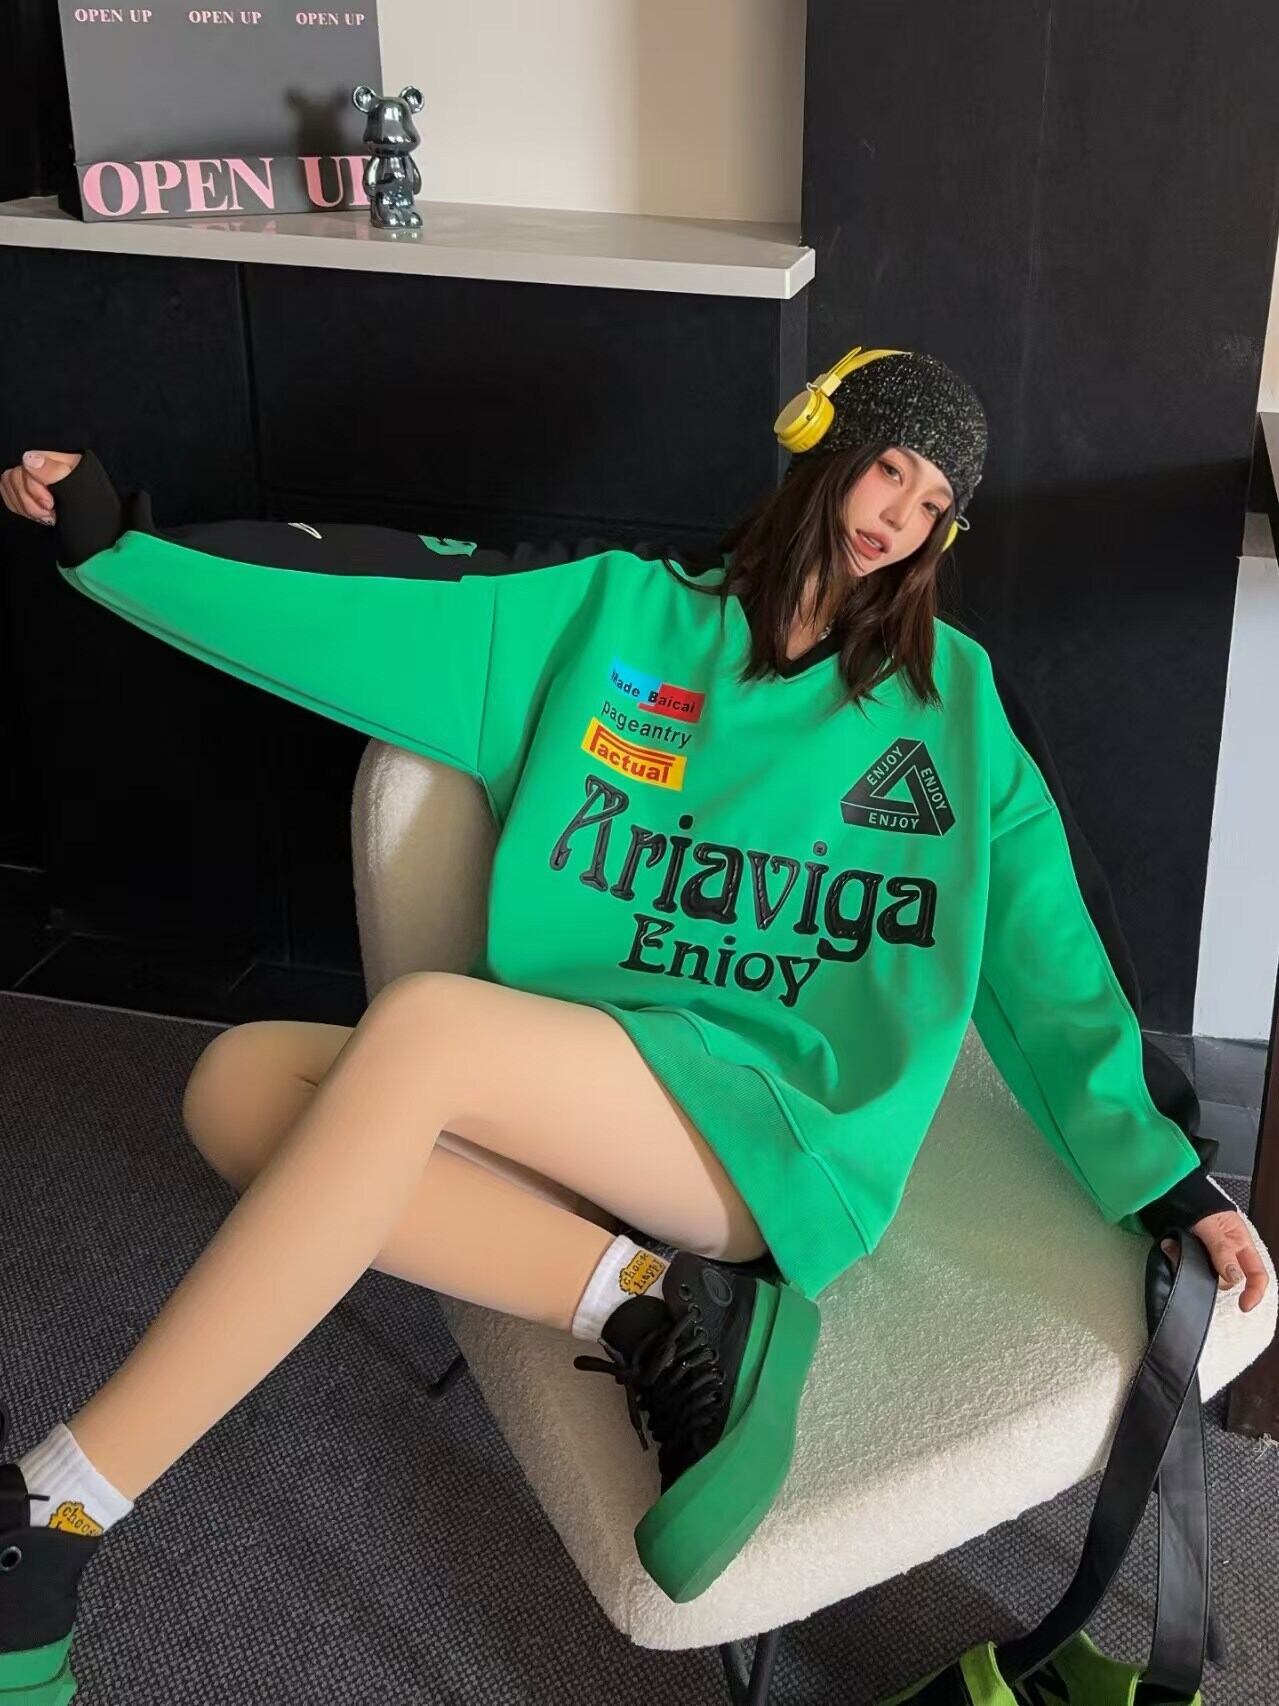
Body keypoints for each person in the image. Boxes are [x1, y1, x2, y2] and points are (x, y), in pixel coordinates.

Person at [0, 345, 1265, 1701]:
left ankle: (56, 1515)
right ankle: (646, 1300)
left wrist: (1169, 1180)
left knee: (423, 1030)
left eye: (933, 502)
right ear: (823, 443)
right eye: (889, 467)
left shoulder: (954, 708)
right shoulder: (617, 617)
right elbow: (364, 597)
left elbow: (1055, 976)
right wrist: (119, 543)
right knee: (237, 1085)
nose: (898, 515)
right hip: (590, 1086)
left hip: (779, 1130)